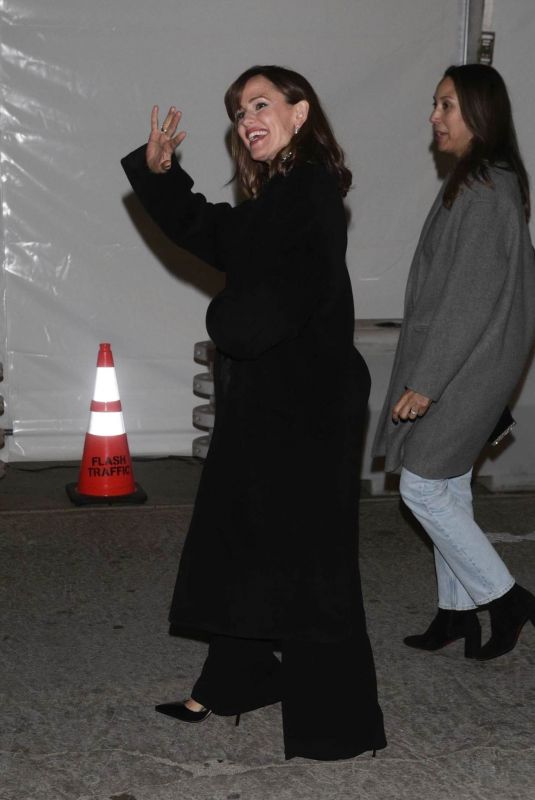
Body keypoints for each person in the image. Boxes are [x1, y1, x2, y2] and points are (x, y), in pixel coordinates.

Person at [121, 65, 386, 761]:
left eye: (262, 104)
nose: (247, 119)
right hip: (272, 401)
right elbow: (214, 234)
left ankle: (338, 723)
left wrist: (224, 320)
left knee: (310, 567)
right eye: (239, 111)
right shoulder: (279, 195)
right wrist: (160, 173)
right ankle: (233, 677)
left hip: (307, 412)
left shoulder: (310, 192)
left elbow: (282, 296)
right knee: (243, 541)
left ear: (301, 113)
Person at [373, 63, 535, 662]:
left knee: (421, 487)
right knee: (449, 485)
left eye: (446, 106)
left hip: (466, 368)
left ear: (479, 113)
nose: (434, 117)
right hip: (468, 362)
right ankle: (456, 611)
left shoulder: (486, 188)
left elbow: (469, 299)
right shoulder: (483, 181)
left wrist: (427, 383)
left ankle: (505, 596)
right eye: (435, 105)